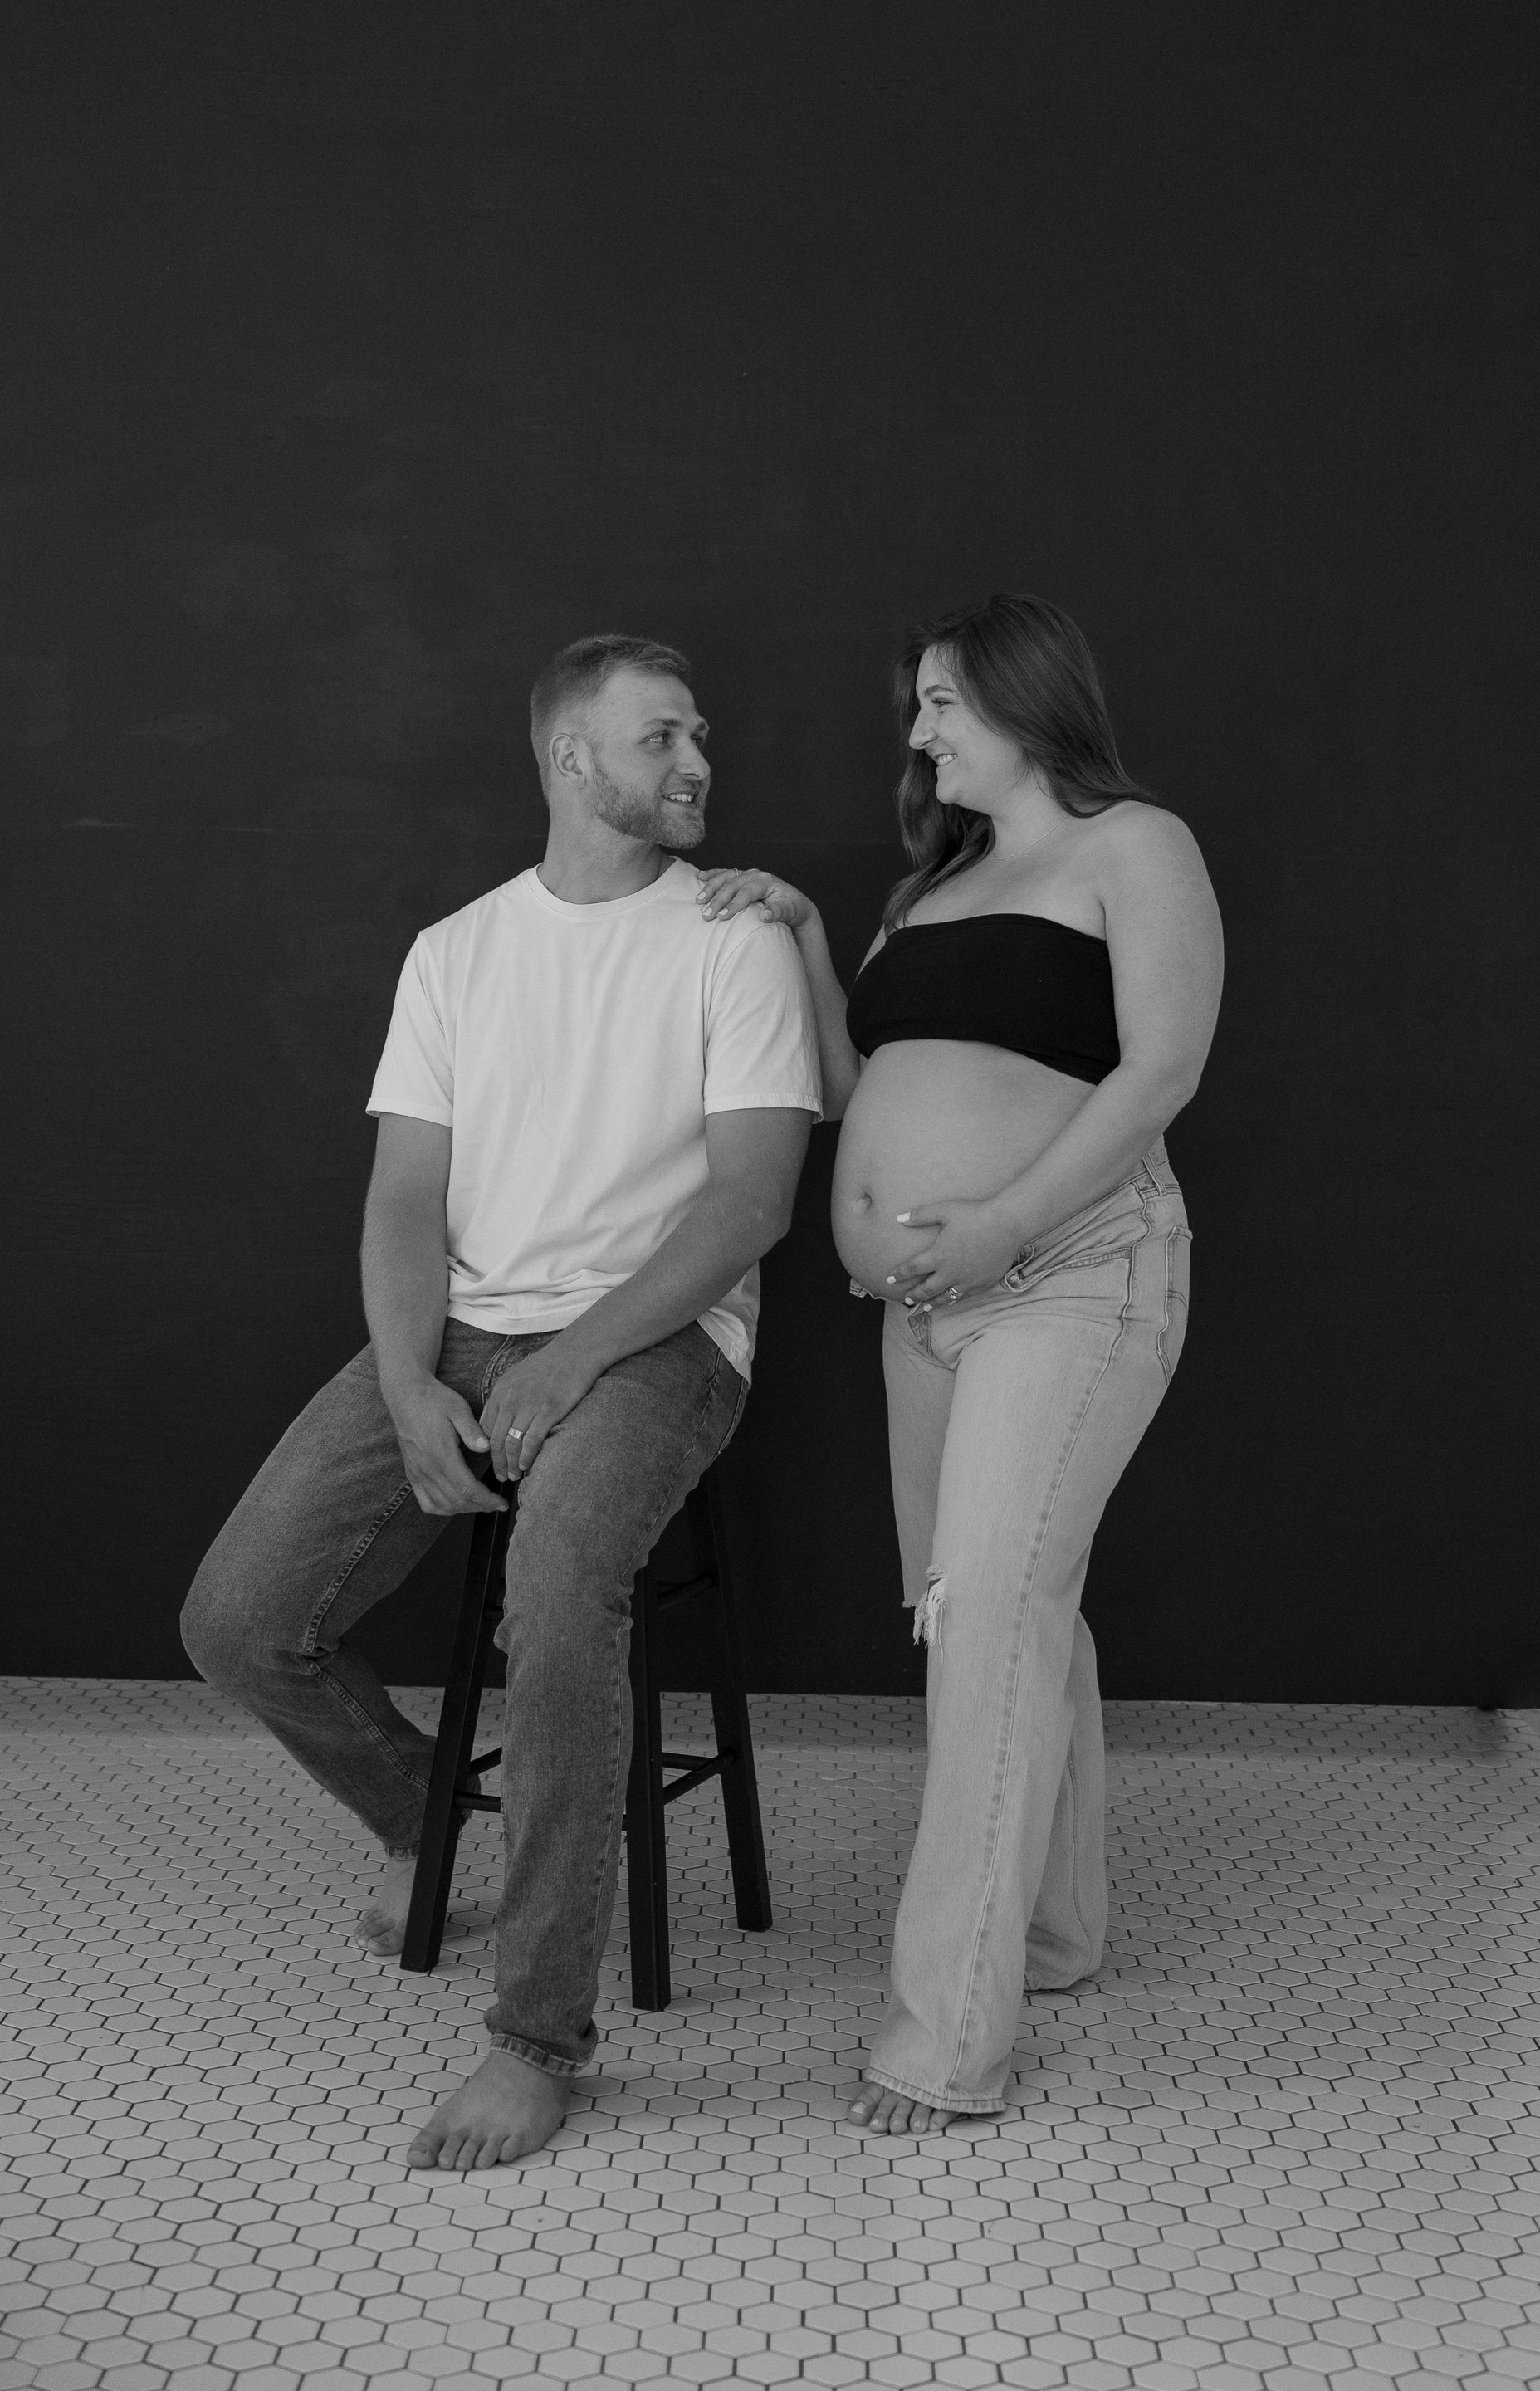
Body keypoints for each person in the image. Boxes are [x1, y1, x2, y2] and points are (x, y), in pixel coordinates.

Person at [182, 634, 820, 2171]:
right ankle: (429, 1826)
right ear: (570, 761)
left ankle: (537, 2035)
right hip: (465, 1329)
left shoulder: (733, 940)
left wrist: (576, 1353)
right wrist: (409, 1381)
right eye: (663, 737)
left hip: (664, 1342)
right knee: (238, 1618)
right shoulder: (454, 951)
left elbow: (748, 1208)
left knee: (557, 1595)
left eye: (701, 737)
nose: (698, 764)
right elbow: (406, 1197)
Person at [695, 593, 1223, 2134]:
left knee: (993, 1610)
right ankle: (1054, 1932)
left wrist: (998, 1222)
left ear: (1022, 699)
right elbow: (865, 1085)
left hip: (1071, 1271)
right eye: (917, 707)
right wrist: (805, 935)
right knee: (981, 1615)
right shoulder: (929, 893)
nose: (919, 733)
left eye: (941, 702)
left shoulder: (1138, 847)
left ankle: (946, 2041)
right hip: (923, 1309)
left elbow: (1162, 1069)